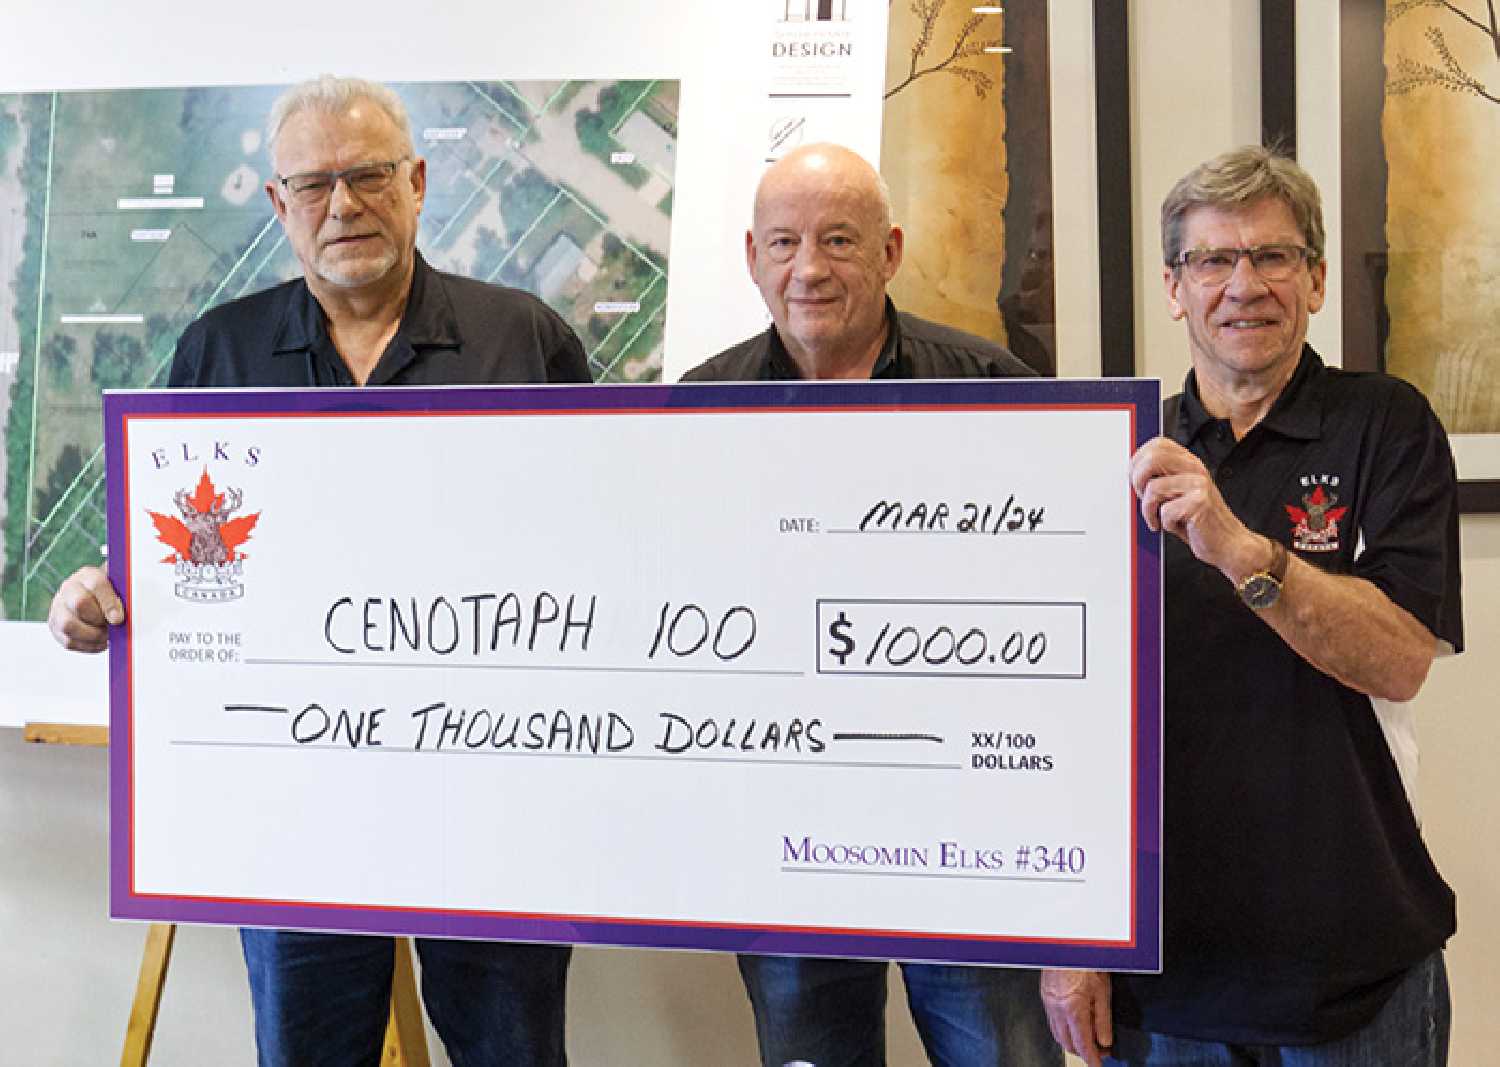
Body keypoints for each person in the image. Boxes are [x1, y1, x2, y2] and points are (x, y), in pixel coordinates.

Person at [47, 75, 589, 1066]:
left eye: (369, 175)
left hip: (493, 798)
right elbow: (177, 553)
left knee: (513, 1051)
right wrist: (96, 593)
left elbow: (605, 550)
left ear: (419, 181)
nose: (343, 205)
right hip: (294, 807)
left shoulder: (527, 339)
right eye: (314, 184)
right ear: (278, 204)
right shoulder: (220, 351)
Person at [1041, 146, 1463, 1066]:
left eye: (1273, 257)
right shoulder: (1121, 445)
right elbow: (1067, 715)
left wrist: (1240, 549)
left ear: (1314, 277)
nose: (1245, 285)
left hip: (1352, 968)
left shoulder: (1386, 424)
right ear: (1172, 287)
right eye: (1212, 260)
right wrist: (1071, 938)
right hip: (1168, 972)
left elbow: (1398, 657)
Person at [682, 142, 1060, 1067]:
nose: (808, 268)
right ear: (751, 256)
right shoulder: (696, 411)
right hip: (785, 834)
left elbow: (1055, 626)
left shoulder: (995, 392)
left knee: (999, 1055)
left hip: (969, 826)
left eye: (838, 240)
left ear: (890, 251)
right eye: (784, 243)